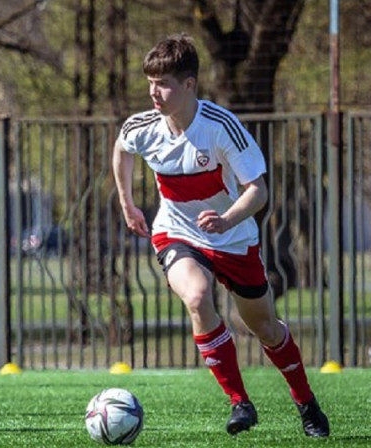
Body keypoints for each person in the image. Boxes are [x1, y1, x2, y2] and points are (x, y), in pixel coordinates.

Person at [112, 33, 329, 438]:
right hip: (176, 232)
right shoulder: (143, 126)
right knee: (196, 296)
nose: (153, 93)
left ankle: (306, 402)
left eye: (163, 84)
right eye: (150, 83)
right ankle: (239, 402)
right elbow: (122, 149)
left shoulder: (221, 126)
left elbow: (258, 190)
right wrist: (128, 204)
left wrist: (228, 220)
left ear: (190, 85)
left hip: (232, 238)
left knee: (265, 327)